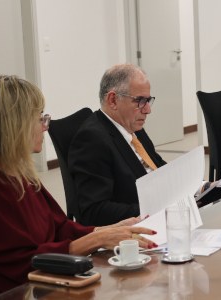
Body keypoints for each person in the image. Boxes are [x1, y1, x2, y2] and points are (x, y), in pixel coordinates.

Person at [0, 75, 157, 296]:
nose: (44, 127)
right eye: (39, 118)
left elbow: (59, 227)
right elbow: (20, 264)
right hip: (23, 291)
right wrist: (96, 240)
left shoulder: (19, 175)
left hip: (45, 280)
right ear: (14, 125)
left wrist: (107, 229)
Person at [69, 64, 167, 226]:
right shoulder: (92, 140)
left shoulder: (132, 124)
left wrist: (196, 186)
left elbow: (156, 164)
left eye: (148, 100)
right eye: (141, 101)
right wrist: (155, 209)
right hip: (138, 226)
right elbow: (94, 211)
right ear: (113, 100)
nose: (148, 110)